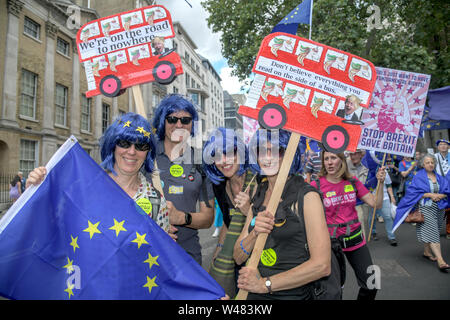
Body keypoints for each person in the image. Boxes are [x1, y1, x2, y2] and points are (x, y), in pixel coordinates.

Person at [26, 112, 170, 233]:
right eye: (124, 143)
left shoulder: (156, 200)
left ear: (148, 152)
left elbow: (160, 255)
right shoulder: (83, 187)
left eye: (141, 145)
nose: (132, 152)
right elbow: (48, 226)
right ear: (112, 145)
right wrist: (32, 193)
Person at [234, 129, 332, 300]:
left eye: (277, 151)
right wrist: (254, 233)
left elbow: (322, 265)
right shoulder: (259, 193)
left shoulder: (307, 196)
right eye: (261, 150)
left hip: (291, 294)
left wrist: (265, 284)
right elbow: (237, 256)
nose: (267, 157)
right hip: (253, 293)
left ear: (290, 154)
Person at [311, 151, 386, 300]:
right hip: (330, 244)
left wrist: (381, 182)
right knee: (334, 291)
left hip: (355, 239)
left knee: (372, 284)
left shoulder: (352, 181)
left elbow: (375, 204)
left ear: (342, 160)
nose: (329, 162)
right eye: (326, 159)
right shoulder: (316, 185)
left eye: (333, 158)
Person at [152, 94, 215, 265]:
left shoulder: (201, 161)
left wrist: (181, 218)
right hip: (147, 254)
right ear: (162, 121)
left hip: (187, 256)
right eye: (172, 119)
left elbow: (208, 218)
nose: (179, 125)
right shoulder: (145, 154)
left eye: (185, 120)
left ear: (192, 124)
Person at [203, 127, 255, 298]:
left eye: (229, 153)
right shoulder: (219, 186)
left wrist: (249, 210)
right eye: (217, 156)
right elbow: (228, 220)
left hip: (259, 257)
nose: (224, 161)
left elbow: (271, 224)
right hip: (233, 258)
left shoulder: (258, 180)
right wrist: (219, 247)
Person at [395, 154, 450, 272]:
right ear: (423, 165)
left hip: (440, 207)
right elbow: (413, 192)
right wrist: (430, 195)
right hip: (426, 207)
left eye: (432, 162)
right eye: (427, 162)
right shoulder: (418, 177)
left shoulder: (439, 177)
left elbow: (447, 190)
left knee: (435, 228)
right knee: (433, 232)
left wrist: (442, 195)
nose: (430, 164)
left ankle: (426, 251)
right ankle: (441, 260)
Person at [368, 170, 398, 246]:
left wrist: (392, 196)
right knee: (372, 218)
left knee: (388, 216)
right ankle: (373, 232)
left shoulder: (384, 171)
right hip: (371, 197)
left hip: (384, 197)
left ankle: (391, 237)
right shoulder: (368, 171)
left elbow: (388, 185)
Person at [346, 150, 370, 238]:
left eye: (355, 153)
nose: (353, 156)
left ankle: (362, 238)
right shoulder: (345, 165)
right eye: (351, 154)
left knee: (365, 219)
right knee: (360, 220)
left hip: (365, 198)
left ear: (361, 155)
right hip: (353, 200)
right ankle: (362, 244)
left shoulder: (366, 164)